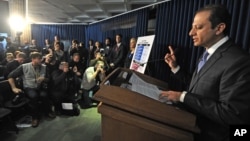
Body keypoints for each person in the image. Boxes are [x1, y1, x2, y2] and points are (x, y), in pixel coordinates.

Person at [159, 4, 250, 141]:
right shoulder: (207, 53)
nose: (191, 33)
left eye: (198, 27)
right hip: (191, 128)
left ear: (219, 28)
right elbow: (199, 86)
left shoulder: (239, 61)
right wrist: (175, 68)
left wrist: (183, 97)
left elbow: (232, 115)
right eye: (192, 27)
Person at [8, 52, 54, 127]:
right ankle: (34, 117)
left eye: (41, 58)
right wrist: (14, 87)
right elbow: (10, 76)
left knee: (44, 95)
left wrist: (44, 79)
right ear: (33, 59)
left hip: (39, 87)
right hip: (29, 87)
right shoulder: (24, 66)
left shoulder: (44, 67)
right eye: (39, 59)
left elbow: (49, 79)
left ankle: (48, 112)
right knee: (34, 96)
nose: (41, 60)